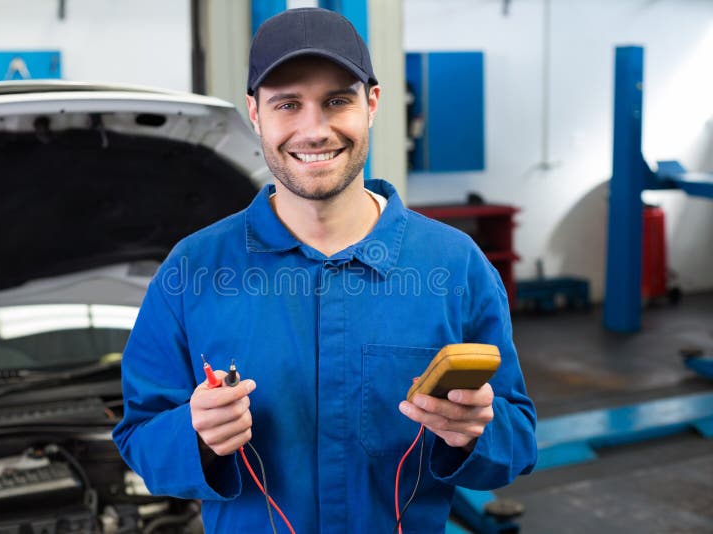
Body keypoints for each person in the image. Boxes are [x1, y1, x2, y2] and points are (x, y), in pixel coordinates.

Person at [113, 7, 537, 533]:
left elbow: (518, 439)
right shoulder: (192, 271)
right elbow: (139, 438)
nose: (314, 129)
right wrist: (194, 435)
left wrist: (476, 432)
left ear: (372, 104)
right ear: (255, 113)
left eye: (337, 100)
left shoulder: (455, 267)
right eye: (288, 104)